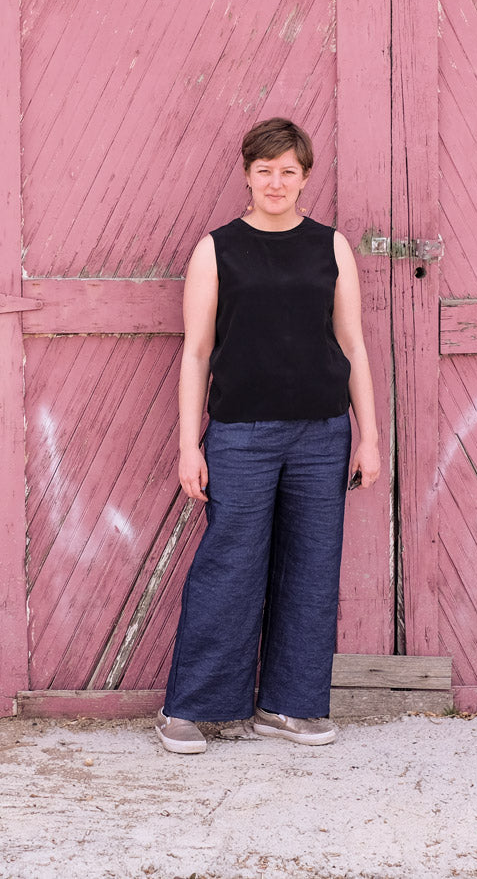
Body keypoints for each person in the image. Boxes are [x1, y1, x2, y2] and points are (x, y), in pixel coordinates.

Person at [155, 117, 381, 754]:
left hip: (321, 434)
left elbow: (354, 346)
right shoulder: (217, 249)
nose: (275, 182)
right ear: (248, 176)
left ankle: (293, 704)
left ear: (305, 177)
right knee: (229, 566)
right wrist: (188, 444)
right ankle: (193, 708)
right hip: (240, 435)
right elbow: (196, 353)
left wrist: (369, 436)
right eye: (264, 171)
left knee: (312, 568)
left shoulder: (331, 247)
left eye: (288, 171)